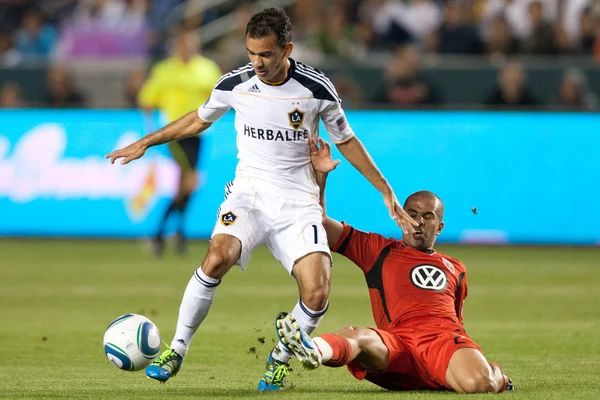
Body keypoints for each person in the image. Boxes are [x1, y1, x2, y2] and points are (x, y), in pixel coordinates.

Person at [106, 7, 417, 391]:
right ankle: (178, 350)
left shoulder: (316, 88)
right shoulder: (235, 84)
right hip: (249, 194)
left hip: (298, 203)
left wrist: (386, 190)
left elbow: (346, 140)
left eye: (266, 55)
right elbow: (198, 119)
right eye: (251, 53)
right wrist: (144, 142)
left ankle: (280, 360)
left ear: (286, 49)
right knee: (217, 256)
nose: (257, 63)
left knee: (317, 293)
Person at [274, 138, 514, 394]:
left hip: (442, 343)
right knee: (357, 335)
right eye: (411, 213)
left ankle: (495, 374)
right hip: (396, 347)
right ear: (400, 216)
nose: (418, 222)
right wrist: (321, 176)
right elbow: (319, 222)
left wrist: (461, 357)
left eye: (427, 216)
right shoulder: (378, 250)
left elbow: (457, 321)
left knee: (479, 385)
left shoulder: (455, 267)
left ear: (439, 227)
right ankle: (313, 349)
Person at [137, 28, 222, 255]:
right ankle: (167, 234)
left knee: (186, 186)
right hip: (175, 134)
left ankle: (166, 235)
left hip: (199, 134)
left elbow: (219, 97)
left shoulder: (207, 69)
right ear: (177, 47)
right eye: (184, 45)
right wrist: (152, 134)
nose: (187, 49)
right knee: (191, 181)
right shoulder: (164, 71)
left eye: (191, 45)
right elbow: (147, 100)